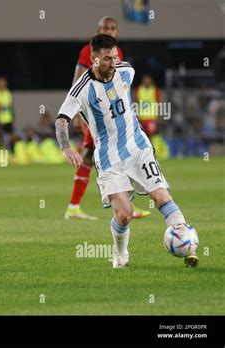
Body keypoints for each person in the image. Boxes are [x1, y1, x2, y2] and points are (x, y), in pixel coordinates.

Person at [55, 34, 199, 268]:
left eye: (114, 57)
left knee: (161, 196)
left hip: (138, 148)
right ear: (93, 58)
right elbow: (61, 120)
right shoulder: (80, 90)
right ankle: (120, 254)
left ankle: (188, 246)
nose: (113, 64)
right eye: (106, 59)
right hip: (108, 157)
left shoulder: (126, 71)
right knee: (124, 214)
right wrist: (66, 146)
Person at [64, 16, 150, 220]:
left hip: (112, 114)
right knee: (103, 152)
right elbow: (78, 79)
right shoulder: (89, 51)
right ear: (98, 30)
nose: (110, 31)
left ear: (117, 32)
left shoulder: (116, 52)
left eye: (113, 28)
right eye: (105, 28)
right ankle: (77, 206)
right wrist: (76, 113)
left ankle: (76, 207)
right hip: (96, 114)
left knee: (92, 154)